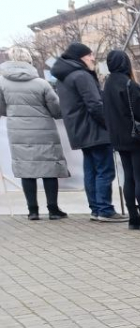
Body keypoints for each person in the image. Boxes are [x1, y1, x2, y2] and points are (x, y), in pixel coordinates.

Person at [51, 42, 123, 222]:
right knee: (104, 171)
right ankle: (105, 209)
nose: (93, 58)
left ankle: (96, 209)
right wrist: (109, 125)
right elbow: (95, 104)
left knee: (91, 170)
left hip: (80, 131)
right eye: (90, 55)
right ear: (81, 57)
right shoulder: (82, 75)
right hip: (95, 131)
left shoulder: (64, 76)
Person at [0, 47, 69, 221]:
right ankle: (53, 210)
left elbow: (1, 108)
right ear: (29, 61)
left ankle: (33, 211)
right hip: (44, 130)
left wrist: (15, 115)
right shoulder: (41, 83)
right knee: (49, 169)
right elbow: (56, 109)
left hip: (18, 132)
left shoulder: (2, 83)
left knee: (26, 170)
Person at [102, 50, 140, 230]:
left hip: (118, 138)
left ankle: (133, 217)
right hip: (136, 137)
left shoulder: (107, 84)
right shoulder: (129, 84)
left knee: (128, 177)